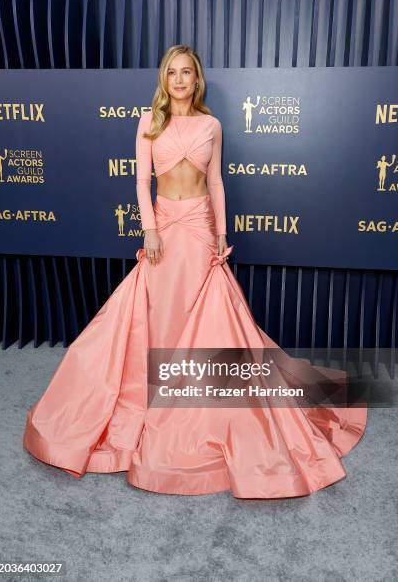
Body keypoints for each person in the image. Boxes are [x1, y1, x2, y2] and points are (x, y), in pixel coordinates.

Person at [23, 44, 367, 498]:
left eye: (187, 73)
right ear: (164, 80)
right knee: (162, 316)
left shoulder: (212, 125)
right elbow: (141, 182)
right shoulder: (149, 122)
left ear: (197, 80)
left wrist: (221, 234)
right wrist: (149, 230)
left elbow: (217, 181)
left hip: (201, 229)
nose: (180, 80)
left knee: (207, 321)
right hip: (164, 229)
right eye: (172, 73)